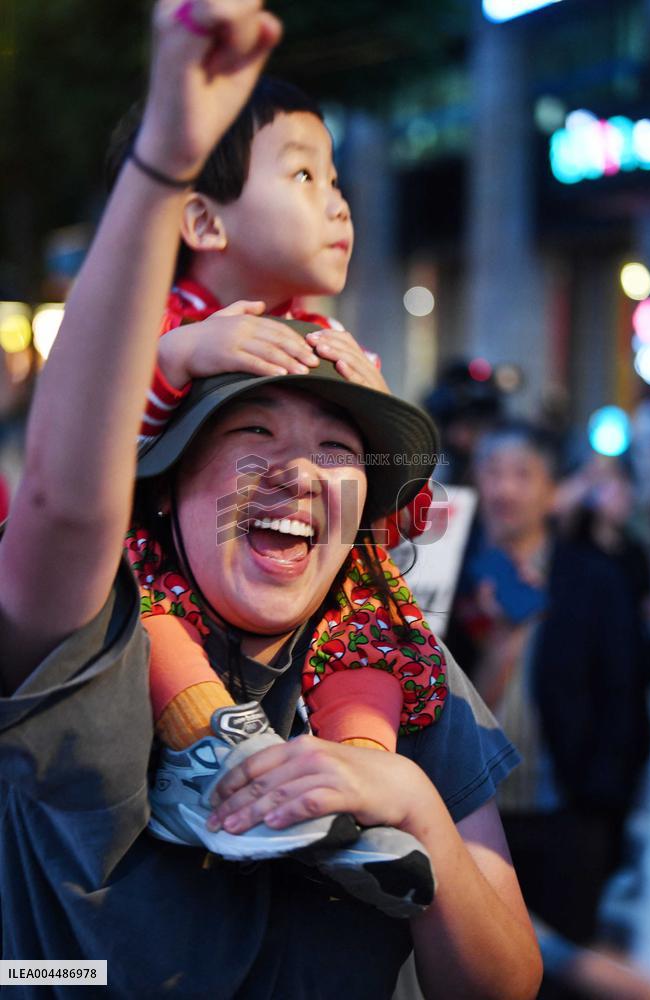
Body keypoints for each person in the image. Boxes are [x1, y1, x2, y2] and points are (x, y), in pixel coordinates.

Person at [0, 2, 542, 996]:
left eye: (340, 445)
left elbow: (507, 980)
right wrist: (165, 159)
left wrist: (409, 804)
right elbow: (68, 494)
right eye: (253, 434)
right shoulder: (93, 641)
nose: (299, 469)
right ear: (161, 484)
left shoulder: (410, 665)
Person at [106, 71, 444, 881]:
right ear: (203, 218)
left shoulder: (336, 344)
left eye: (336, 181)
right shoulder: (158, 320)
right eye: (303, 175)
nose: (338, 205)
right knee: (132, 597)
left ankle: (353, 789)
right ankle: (211, 756)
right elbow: (98, 453)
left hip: (315, 614)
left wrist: (382, 426)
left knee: (373, 624)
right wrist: (180, 357)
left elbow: (400, 518)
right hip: (159, 582)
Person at [448, 421, 650, 994]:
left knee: (563, 974)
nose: (504, 489)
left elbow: (623, 700)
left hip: (567, 815)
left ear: (549, 489)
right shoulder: (448, 577)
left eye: (521, 474)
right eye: (492, 472)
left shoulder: (595, 579)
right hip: (472, 820)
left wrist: (601, 810)